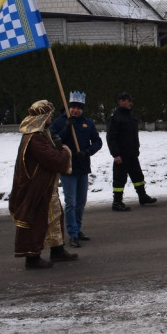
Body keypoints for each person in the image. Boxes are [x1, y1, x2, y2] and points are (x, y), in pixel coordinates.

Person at [9, 100, 77, 267]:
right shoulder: (34, 138)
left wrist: (56, 144)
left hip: (46, 186)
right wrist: (64, 151)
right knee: (36, 220)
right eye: (49, 115)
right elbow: (52, 159)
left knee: (54, 215)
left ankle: (57, 250)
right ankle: (32, 257)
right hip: (36, 189)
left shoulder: (41, 134)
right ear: (42, 118)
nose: (51, 118)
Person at [52, 91, 103, 247]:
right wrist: (66, 128)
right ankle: (72, 233)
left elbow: (98, 142)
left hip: (83, 167)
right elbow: (53, 142)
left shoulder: (88, 123)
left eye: (79, 108)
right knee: (71, 203)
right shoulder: (60, 122)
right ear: (69, 107)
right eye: (73, 107)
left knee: (81, 202)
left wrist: (87, 152)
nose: (75, 110)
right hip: (67, 168)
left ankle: (78, 229)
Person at [106, 92, 156, 211]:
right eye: (128, 101)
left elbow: (134, 135)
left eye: (131, 101)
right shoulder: (115, 117)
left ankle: (142, 196)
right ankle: (117, 202)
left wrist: (136, 149)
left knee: (138, 176)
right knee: (120, 179)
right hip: (121, 155)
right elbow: (111, 137)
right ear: (121, 101)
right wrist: (115, 154)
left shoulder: (131, 116)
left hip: (132, 153)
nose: (131, 103)